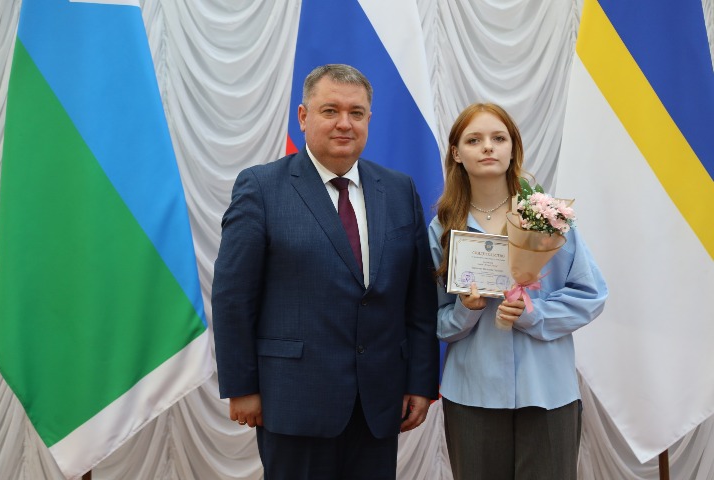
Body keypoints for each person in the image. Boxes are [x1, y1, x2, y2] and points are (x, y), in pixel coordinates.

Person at [212, 64, 440, 480]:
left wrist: (421, 381)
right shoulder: (261, 188)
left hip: (379, 403)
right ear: (303, 117)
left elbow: (418, 300)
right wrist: (242, 386)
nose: (344, 123)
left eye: (356, 113)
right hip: (293, 400)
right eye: (330, 110)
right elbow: (233, 297)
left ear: (369, 119)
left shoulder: (399, 189)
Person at [428, 103, 608, 479]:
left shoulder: (548, 219)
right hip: (472, 395)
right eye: (474, 140)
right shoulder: (443, 229)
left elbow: (590, 295)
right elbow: (434, 321)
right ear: (456, 153)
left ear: (513, 148)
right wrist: (466, 310)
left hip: (548, 393)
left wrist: (533, 314)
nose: (487, 147)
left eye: (499, 138)